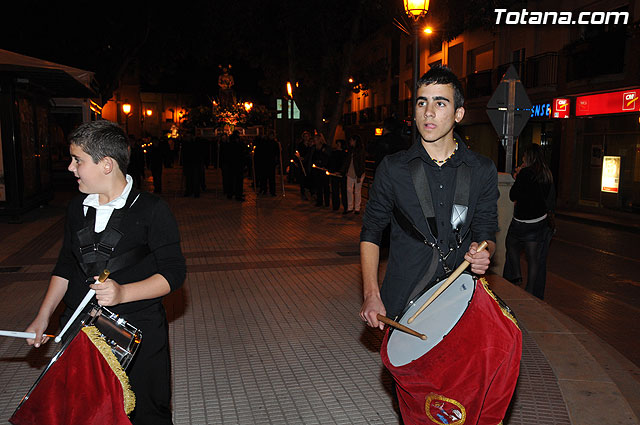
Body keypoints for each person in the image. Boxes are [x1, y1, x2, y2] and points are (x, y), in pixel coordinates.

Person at [359, 66, 502, 422]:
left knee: (454, 399)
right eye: (422, 102)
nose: (428, 112)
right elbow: (371, 231)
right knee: (411, 398)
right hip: (403, 299)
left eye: (440, 103)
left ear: (458, 114)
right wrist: (371, 292)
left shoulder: (480, 170)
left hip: (458, 302)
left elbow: (487, 231)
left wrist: (483, 254)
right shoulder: (394, 168)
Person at [25, 120, 186, 424]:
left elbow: (174, 273)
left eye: (78, 160)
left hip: (137, 331)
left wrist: (124, 292)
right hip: (82, 330)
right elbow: (66, 264)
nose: (71, 168)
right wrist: (43, 315)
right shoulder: (76, 209)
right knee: (87, 410)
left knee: (145, 411)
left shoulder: (152, 209)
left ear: (107, 164)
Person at [503, 143, 555, 299]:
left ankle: (517, 275)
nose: (523, 158)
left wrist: (518, 177)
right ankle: (530, 290)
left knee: (510, 243)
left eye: (525, 156)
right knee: (533, 259)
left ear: (529, 157)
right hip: (539, 221)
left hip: (522, 221)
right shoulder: (547, 174)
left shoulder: (525, 173)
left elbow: (513, 195)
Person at [342, 134, 366, 215]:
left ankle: (357, 208)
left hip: (358, 173)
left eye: (351, 140)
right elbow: (347, 162)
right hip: (350, 172)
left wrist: (359, 175)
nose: (350, 142)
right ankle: (350, 207)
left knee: (357, 191)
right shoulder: (350, 150)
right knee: (349, 190)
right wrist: (344, 171)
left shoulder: (360, 150)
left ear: (355, 141)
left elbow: (361, 163)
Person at [327, 139, 348, 212]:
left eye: (339, 144)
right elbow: (330, 162)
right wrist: (330, 170)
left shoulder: (345, 154)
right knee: (334, 190)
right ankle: (335, 206)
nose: (337, 145)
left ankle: (346, 206)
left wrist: (341, 172)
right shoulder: (334, 153)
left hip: (341, 175)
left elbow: (345, 164)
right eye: (337, 144)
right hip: (334, 173)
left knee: (343, 191)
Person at [311, 133, 330, 207]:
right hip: (317, 169)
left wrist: (324, 165)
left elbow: (328, 157)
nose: (315, 141)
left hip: (324, 169)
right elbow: (313, 158)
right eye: (314, 140)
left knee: (325, 186)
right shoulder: (314, 148)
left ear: (319, 140)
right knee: (318, 186)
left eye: (316, 140)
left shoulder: (325, 147)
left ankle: (327, 202)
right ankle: (319, 201)